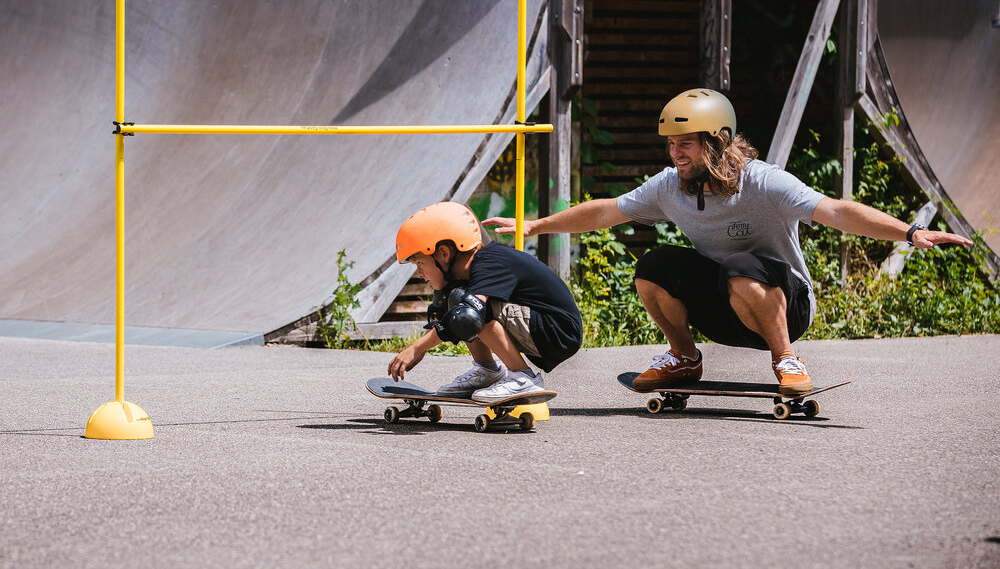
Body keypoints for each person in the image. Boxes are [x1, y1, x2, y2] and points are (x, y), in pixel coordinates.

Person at [484, 88, 972, 395]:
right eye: (671, 145)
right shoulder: (669, 187)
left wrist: (910, 231)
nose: (676, 154)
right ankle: (684, 356)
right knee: (654, 265)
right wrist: (537, 226)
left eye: (686, 145)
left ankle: (787, 360)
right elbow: (607, 211)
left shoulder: (764, 182)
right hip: (726, 307)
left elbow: (839, 211)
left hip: (787, 305)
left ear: (716, 141)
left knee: (743, 263)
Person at [388, 201, 582, 402]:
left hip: (559, 330)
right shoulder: (468, 271)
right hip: (539, 325)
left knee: (467, 309)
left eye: (420, 263)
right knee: (456, 300)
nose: (419, 274)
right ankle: (486, 371)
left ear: (444, 253)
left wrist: (417, 348)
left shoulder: (488, 261)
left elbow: (468, 315)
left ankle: (522, 378)